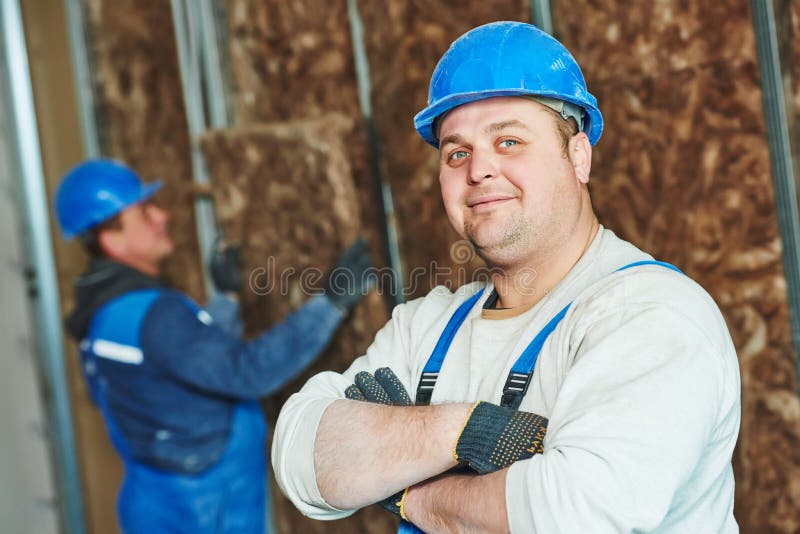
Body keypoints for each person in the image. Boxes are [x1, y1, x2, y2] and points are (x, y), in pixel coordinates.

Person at [271, 21, 740, 533]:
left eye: (510, 141)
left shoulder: (650, 315)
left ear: (578, 156)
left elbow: (572, 516)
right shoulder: (425, 328)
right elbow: (301, 458)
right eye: (457, 152)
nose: (479, 171)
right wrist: (466, 428)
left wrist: (409, 491)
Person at [54, 158, 372, 533]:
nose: (161, 216)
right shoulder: (156, 315)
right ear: (112, 238)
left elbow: (182, 361)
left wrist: (225, 299)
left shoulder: (104, 314)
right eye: (144, 212)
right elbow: (247, 372)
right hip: (208, 508)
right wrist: (330, 303)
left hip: (156, 498)